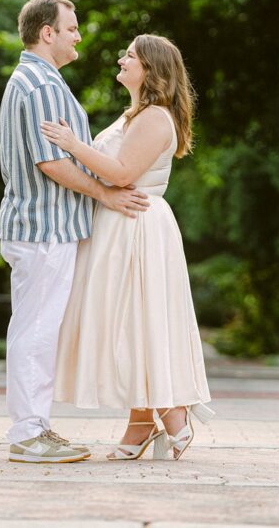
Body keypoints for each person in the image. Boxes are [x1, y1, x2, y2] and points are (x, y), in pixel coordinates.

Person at [42, 33, 213, 462]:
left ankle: (172, 411)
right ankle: (142, 424)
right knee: (129, 322)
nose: (122, 60)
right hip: (119, 225)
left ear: (151, 69)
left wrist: (72, 144)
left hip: (139, 227)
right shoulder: (135, 114)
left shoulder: (156, 117)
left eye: (130, 56)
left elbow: (122, 172)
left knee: (138, 320)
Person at [0, 0, 150, 464]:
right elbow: (50, 162)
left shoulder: (37, 79)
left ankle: (36, 427)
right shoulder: (39, 84)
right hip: (43, 229)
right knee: (35, 332)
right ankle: (27, 435)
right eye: (72, 28)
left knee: (38, 330)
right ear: (48, 33)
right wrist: (105, 194)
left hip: (44, 228)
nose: (78, 36)